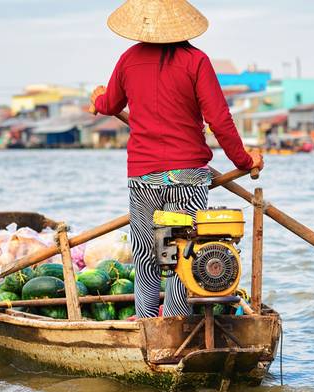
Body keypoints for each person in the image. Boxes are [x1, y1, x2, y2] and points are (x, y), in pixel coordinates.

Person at [90, 0, 263, 319]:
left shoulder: (128, 60)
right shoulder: (196, 60)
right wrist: (245, 159)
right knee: (183, 255)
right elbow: (219, 121)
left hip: (144, 178)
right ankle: (174, 323)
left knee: (147, 256)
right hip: (187, 178)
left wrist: (97, 100)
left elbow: (110, 102)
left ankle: (147, 326)